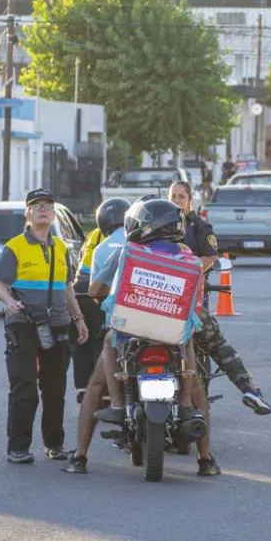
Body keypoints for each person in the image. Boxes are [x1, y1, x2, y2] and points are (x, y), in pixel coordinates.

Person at [89, 198, 220, 477]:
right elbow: (194, 307)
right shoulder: (188, 258)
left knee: (110, 341)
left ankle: (116, 403)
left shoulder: (129, 252)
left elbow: (95, 288)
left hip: (132, 331)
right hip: (173, 335)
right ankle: (205, 456)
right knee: (191, 362)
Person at [0, 188, 90, 464]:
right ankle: (18, 447)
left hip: (58, 324)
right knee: (23, 386)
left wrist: (79, 319)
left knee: (55, 388)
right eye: (37, 206)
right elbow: (0, 284)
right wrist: (10, 301)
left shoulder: (60, 247)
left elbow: (68, 288)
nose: (43, 210)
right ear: (27, 213)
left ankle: (54, 444)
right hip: (23, 324)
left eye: (48, 205)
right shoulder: (15, 247)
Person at [168, 180, 271, 415]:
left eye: (180, 196)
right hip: (162, 303)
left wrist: (187, 272)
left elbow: (210, 257)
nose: (176, 200)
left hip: (189, 301)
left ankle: (249, 391)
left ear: (189, 199)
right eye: (172, 196)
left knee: (214, 341)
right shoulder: (159, 223)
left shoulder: (198, 226)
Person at [65, 199, 131, 474]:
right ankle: (205, 455)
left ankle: (81, 455)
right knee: (192, 374)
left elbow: (92, 287)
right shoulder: (148, 243)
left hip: (118, 317)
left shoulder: (103, 245)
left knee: (96, 379)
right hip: (153, 324)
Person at [70, 199, 130, 399]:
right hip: (105, 290)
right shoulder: (134, 239)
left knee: (81, 340)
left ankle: (84, 389)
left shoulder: (95, 238)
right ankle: (106, 389)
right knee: (102, 338)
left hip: (82, 288)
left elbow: (82, 268)